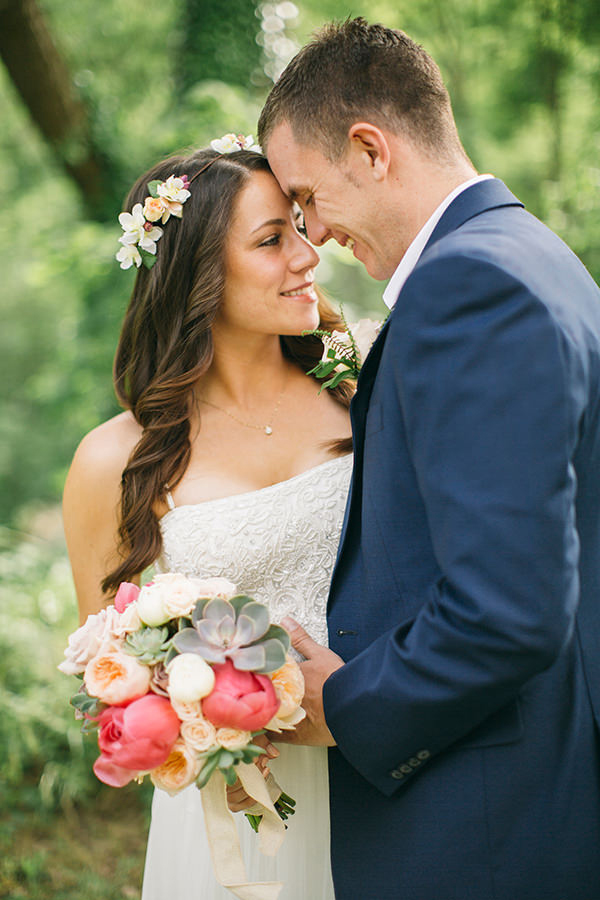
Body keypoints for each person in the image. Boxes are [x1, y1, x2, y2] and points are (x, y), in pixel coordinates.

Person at [257, 17, 600, 900]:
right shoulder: (535, 256)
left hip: (487, 828)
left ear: (370, 149)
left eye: (307, 198)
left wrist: (346, 706)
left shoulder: (467, 286)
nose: (314, 236)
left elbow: (508, 610)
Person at [62, 141, 354, 899]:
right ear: (199, 274)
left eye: (299, 226)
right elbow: (111, 675)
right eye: (271, 240)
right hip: (242, 803)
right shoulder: (116, 459)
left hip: (389, 752)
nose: (308, 256)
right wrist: (200, 748)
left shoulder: (359, 385)